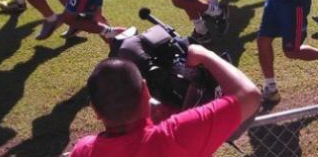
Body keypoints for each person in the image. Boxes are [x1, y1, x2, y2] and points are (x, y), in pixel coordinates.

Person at [69, 46, 261, 157]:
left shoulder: (83, 151)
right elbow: (249, 95)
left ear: (96, 110)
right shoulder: (175, 136)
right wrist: (202, 53)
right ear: (145, 90)